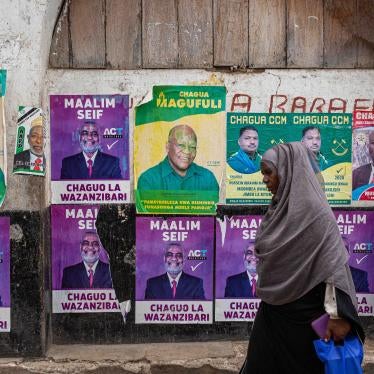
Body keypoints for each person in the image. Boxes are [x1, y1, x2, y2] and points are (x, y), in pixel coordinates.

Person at [240, 142, 364, 374]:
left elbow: (331, 268)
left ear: (287, 171)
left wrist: (336, 316)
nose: (264, 179)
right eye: (262, 173)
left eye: (269, 172)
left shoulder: (317, 216)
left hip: (307, 322)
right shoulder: (277, 211)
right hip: (273, 317)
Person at [137, 124, 219, 191]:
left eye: (192, 147)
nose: (187, 151)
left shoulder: (208, 179)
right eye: (181, 145)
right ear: (168, 147)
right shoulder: (149, 180)